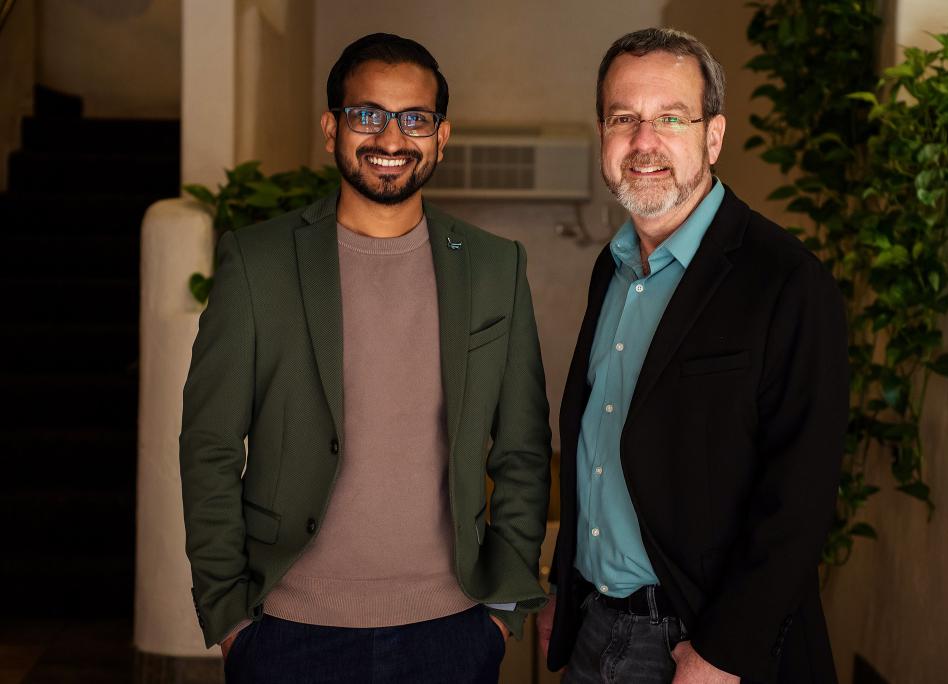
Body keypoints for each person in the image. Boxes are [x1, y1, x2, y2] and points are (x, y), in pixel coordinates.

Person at [179, 33, 552, 683]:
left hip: (454, 633)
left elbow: (522, 447)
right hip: (289, 634)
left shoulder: (495, 268)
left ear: (441, 137)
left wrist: (500, 611)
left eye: (415, 119)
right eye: (367, 115)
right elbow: (208, 443)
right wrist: (231, 617)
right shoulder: (257, 263)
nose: (391, 138)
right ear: (331, 128)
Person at [537, 28, 848, 683]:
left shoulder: (785, 279)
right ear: (603, 136)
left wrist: (724, 653)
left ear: (713, 136)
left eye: (670, 118)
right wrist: (568, 591)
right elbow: (596, 445)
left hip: (696, 647)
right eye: (624, 118)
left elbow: (800, 496)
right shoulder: (613, 267)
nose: (644, 141)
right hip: (595, 625)